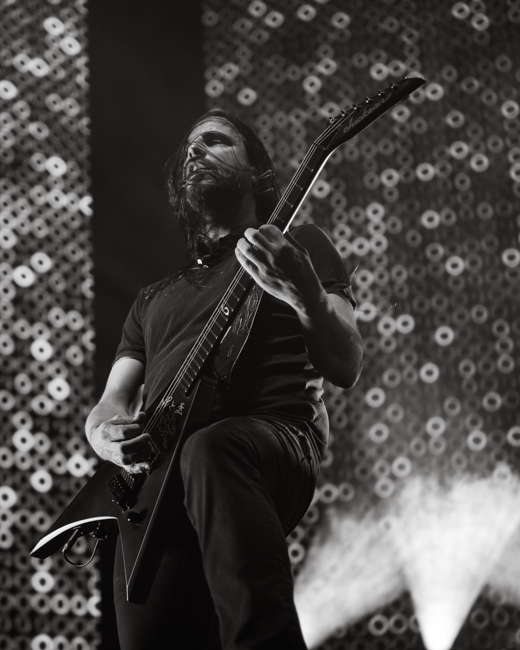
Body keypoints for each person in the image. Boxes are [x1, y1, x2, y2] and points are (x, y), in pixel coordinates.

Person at [84, 109, 364, 650]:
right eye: (190, 147)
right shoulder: (151, 299)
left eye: (216, 141)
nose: (196, 151)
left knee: (210, 449)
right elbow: (110, 403)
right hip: (155, 487)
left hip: (268, 439)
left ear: (255, 170)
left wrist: (304, 291)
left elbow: (346, 361)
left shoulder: (299, 241)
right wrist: (105, 434)